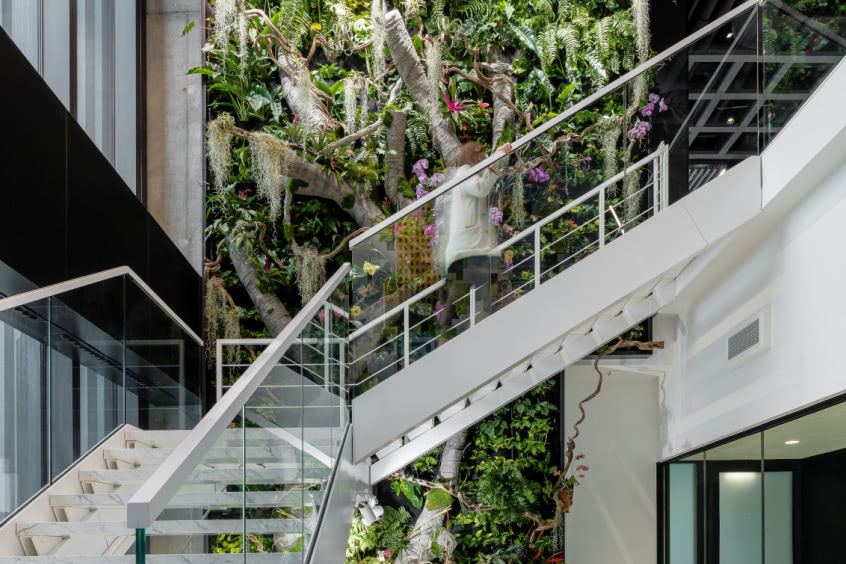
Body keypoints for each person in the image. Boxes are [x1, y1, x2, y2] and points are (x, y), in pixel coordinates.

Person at [438, 141, 512, 341]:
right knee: (500, 281)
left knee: (456, 297)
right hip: (469, 251)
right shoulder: (464, 172)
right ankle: (481, 323)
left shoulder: (464, 176)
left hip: (466, 251)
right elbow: (480, 188)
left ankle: (446, 337)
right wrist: (495, 159)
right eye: (481, 155)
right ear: (473, 157)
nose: (483, 158)